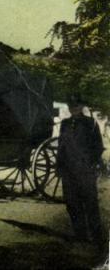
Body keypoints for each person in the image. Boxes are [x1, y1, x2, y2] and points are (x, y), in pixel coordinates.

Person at [57, 93, 105, 246]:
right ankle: (80, 234)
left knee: (90, 203)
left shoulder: (90, 123)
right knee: (72, 203)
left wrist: (92, 163)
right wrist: (60, 166)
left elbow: (98, 147)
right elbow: (61, 147)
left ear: (82, 107)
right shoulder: (64, 124)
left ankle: (96, 236)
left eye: (76, 106)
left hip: (85, 170)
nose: (74, 109)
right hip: (68, 170)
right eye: (71, 107)